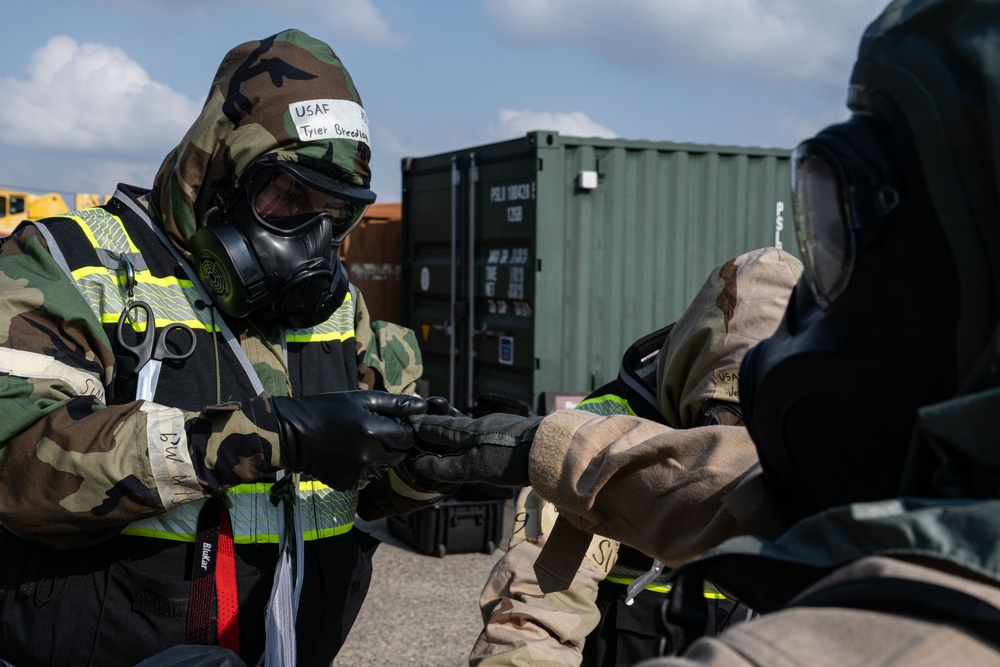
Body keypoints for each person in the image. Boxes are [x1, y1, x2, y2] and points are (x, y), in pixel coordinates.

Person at [406, 0, 1000, 663]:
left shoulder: (829, 478)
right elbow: (534, 601)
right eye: (721, 416)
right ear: (686, 377)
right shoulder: (620, 426)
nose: (738, 439)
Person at [0, 29, 451, 667]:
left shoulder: (338, 305)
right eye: (290, 197)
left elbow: (363, 493)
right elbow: (18, 472)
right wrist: (258, 439)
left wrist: (427, 468)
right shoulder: (70, 265)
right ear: (218, 172)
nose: (310, 240)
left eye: (334, 213)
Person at [469, 247, 800, 666]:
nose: (731, 444)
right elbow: (537, 598)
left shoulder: (826, 437)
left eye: (760, 425)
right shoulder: (597, 433)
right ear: (688, 368)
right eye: (720, 418)